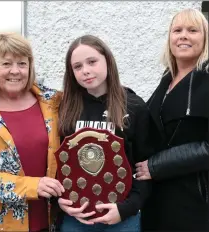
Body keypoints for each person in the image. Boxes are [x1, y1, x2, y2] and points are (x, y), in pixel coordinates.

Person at [57, 34, 156, 232]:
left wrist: (127, 208)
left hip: (122, 218)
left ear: (108, 61)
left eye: (92, 62)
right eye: (77, 66)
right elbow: (57, 164)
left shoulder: (134, 106)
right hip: (77, 218)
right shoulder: (64, 108)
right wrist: (59, 200)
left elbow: (146, 167)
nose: (86, 71)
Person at [135, 8, 209, 231]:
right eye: (177, 30)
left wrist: (157, 165)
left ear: (205, 38)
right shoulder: (165, 81)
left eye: (192, 30)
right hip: (156, 200)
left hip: (194, 202)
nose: (183, 35)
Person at [0, 32, 65, 232]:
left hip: (54, 222)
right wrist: (31, 187)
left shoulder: (53, 102)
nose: (15, 71)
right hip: (1, 225)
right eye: (6, 64)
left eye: (22, 63)